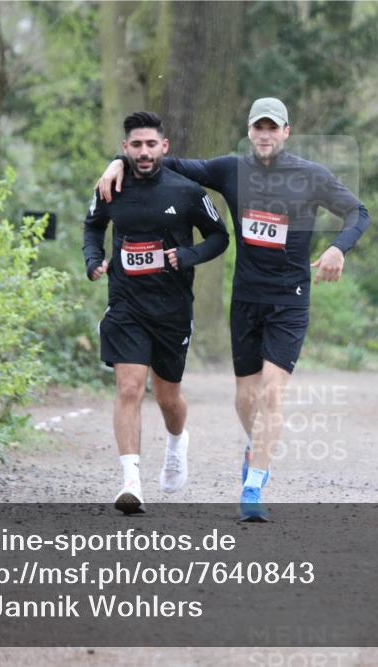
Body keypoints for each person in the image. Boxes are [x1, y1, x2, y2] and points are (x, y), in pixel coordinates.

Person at [96, 98, 370, 521]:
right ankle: (254, 445)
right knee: (245, 399)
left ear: (286, 132)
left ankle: (254, 485)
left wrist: (338, 247)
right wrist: (117, 161)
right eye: (258, 128)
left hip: (289, 299)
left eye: (272, 128)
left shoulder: (310, 176)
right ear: (249, 131)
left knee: (272, 392)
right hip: (245, 298)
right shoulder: (229, 170)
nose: (264, 135)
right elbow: (163, 161)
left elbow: (357, 211)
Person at [83, 111, 228, 515]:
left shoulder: (187, 191)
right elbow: (93, 226)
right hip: (127, 304)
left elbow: (219, 237)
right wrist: (93, 257)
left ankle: (177, 442)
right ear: (125, 148)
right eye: (136, 145)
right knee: (129, 388)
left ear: (164, 146)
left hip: (172, 309)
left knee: (168, 398)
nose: (144, 152)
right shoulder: (110, 187)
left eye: (151, 144)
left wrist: (188, 255)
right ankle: (131, 482)